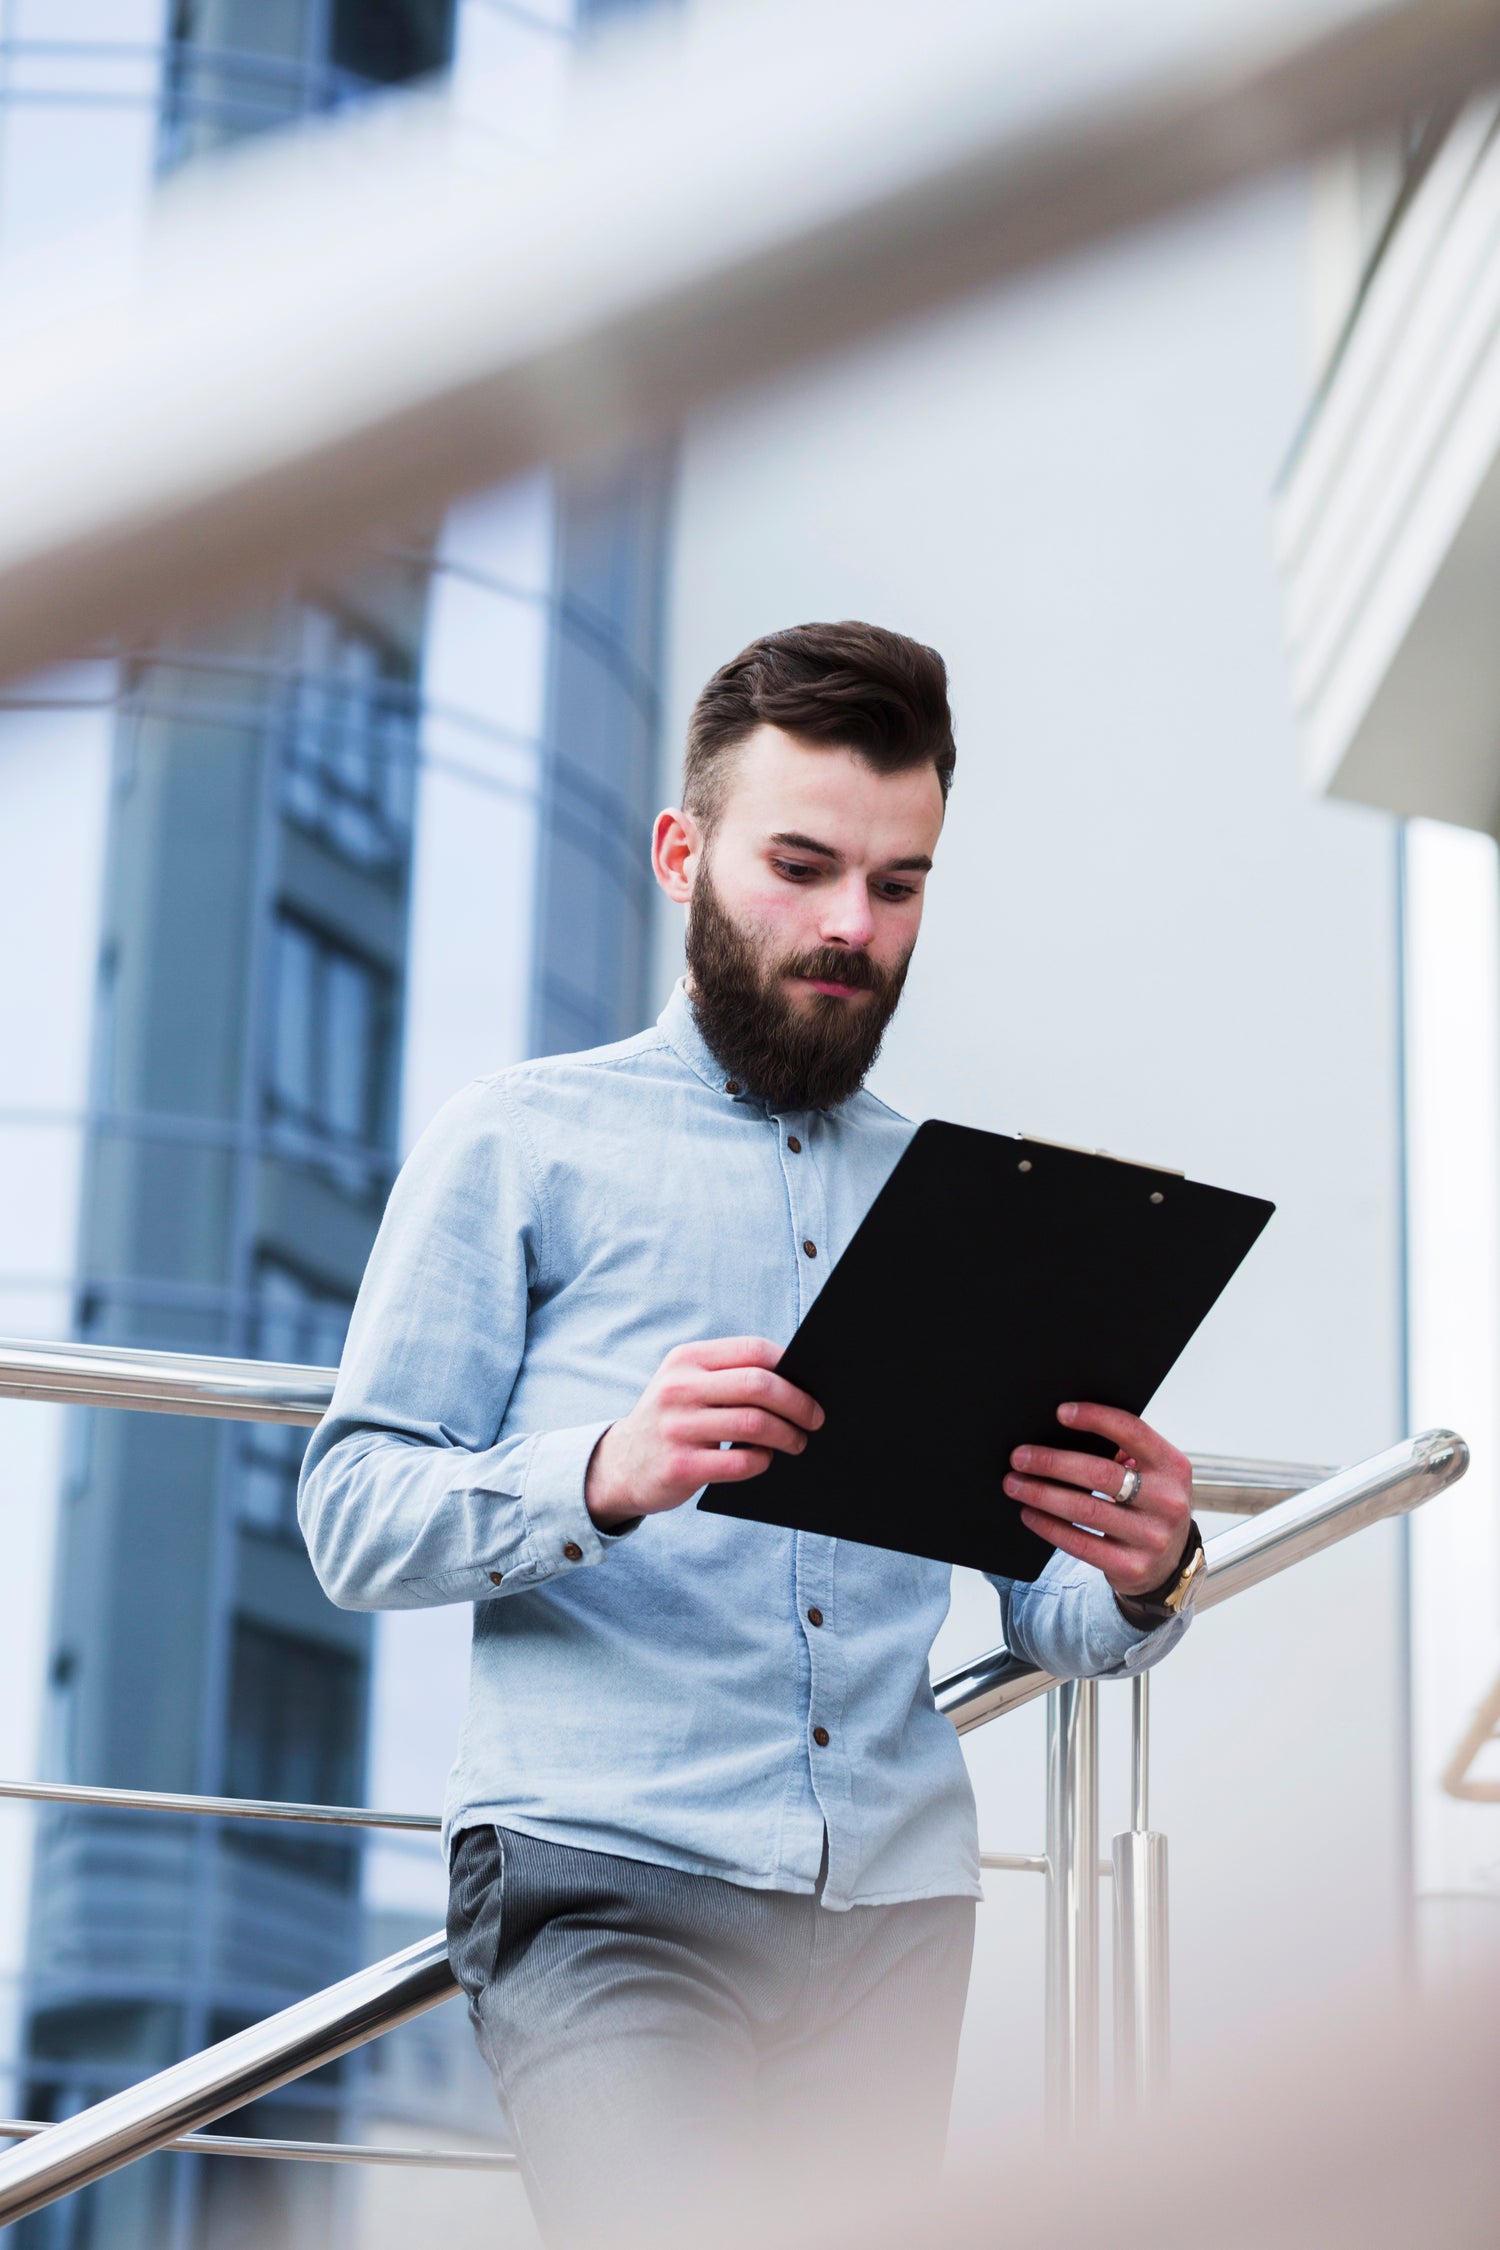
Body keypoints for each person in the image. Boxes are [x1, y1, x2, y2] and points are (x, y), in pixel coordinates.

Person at [299, 621, 1205, 2247]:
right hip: (605, 1882)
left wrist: (1139, 1576)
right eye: (802, 866)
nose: (851, 927)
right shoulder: (519, 1139)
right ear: (682, 851)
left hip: (896, 1912)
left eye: (899, 883)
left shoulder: (960, 1199)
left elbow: (1041, 1601)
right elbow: (352, 1507)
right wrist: (600, 1470)